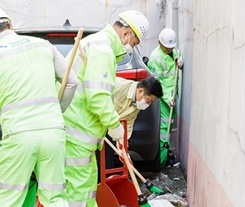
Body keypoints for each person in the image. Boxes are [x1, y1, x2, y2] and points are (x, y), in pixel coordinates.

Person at [62, 10, 149, 206]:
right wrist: (114, 125)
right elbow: (97, 97)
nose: (131, 47)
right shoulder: (103, 50)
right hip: (76, 137)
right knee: (78, 194)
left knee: (88, 188)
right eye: (134, 43)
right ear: (126, 33)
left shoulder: (98, 44)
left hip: (82, 137)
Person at [0, 8, 77, 206]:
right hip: (53, 131)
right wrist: (56, 111)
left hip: (18, 136)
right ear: (11, 25)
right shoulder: (43, 45)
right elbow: (71, 82)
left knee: (8, 199)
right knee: (55, 198)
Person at [147, 28, 183, 167]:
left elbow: (177, 53)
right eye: (166, 48)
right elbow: (158, 84)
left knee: (168, 125)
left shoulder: (172, 51)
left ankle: (166, 153)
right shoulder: (155, 58)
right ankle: (161, 158)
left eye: (171, 48)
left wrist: (179, 59)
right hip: (163, 99)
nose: (169, 50)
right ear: (159, 43)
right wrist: (168, 98)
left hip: (171, 95)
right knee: (164, 127)